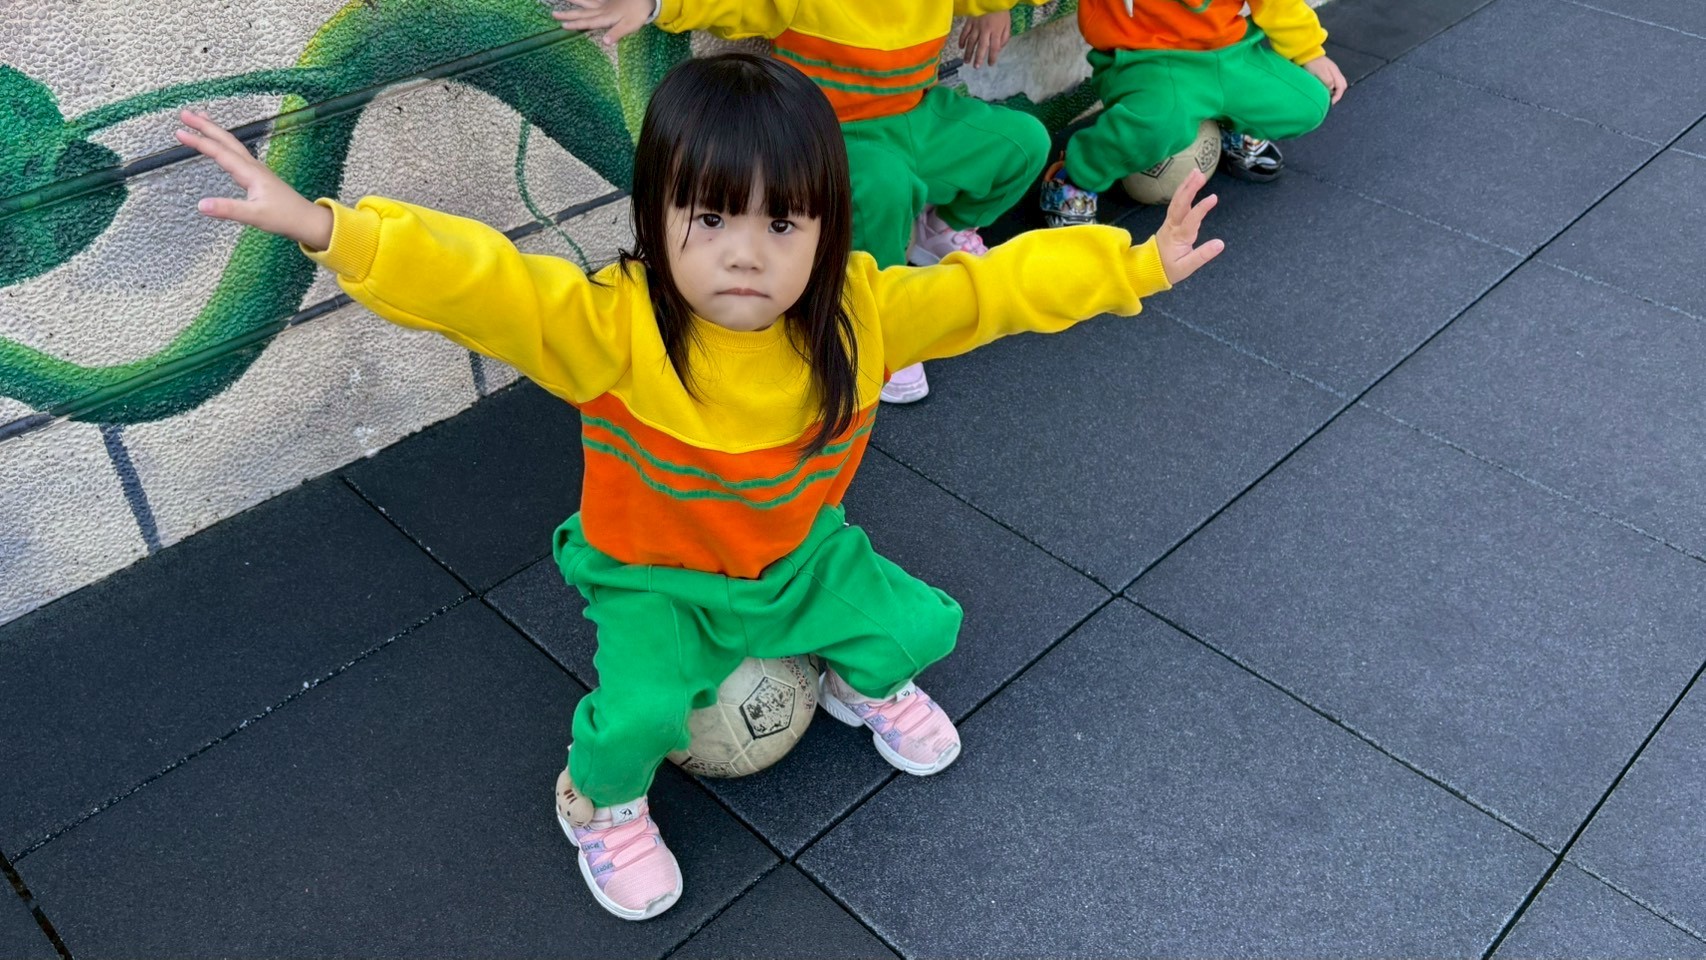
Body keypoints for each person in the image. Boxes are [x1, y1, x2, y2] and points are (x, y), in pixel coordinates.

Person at [174, 53, 1222, 922]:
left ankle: (854, 683)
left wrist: (1131, 268)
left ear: (828, 229)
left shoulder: (861, 317)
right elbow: (483, 282)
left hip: (796, 558)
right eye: (711, 218)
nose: (745, 256)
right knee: (635, 714)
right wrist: (331, 229)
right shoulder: (613, 326)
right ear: (657, 216)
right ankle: (599, 807)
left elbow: (990, 289)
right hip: (656, 578)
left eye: (783, 225)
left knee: (917, 625)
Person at [554, 0, 1053, 404]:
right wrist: (653, 4)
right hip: (835, 130)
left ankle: (936, 229)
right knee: (883, 186)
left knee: (1024, 142)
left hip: (918, 114)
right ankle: (880, 316)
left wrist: (996, 7)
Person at [1040, 0, 1347, 226]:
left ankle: (1228, 123)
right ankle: (1076, 177)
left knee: (1309, 102)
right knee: (1158, 124)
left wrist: (1309, 52)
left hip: (1228, 52)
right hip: (1147, 59)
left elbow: (1279, 4)